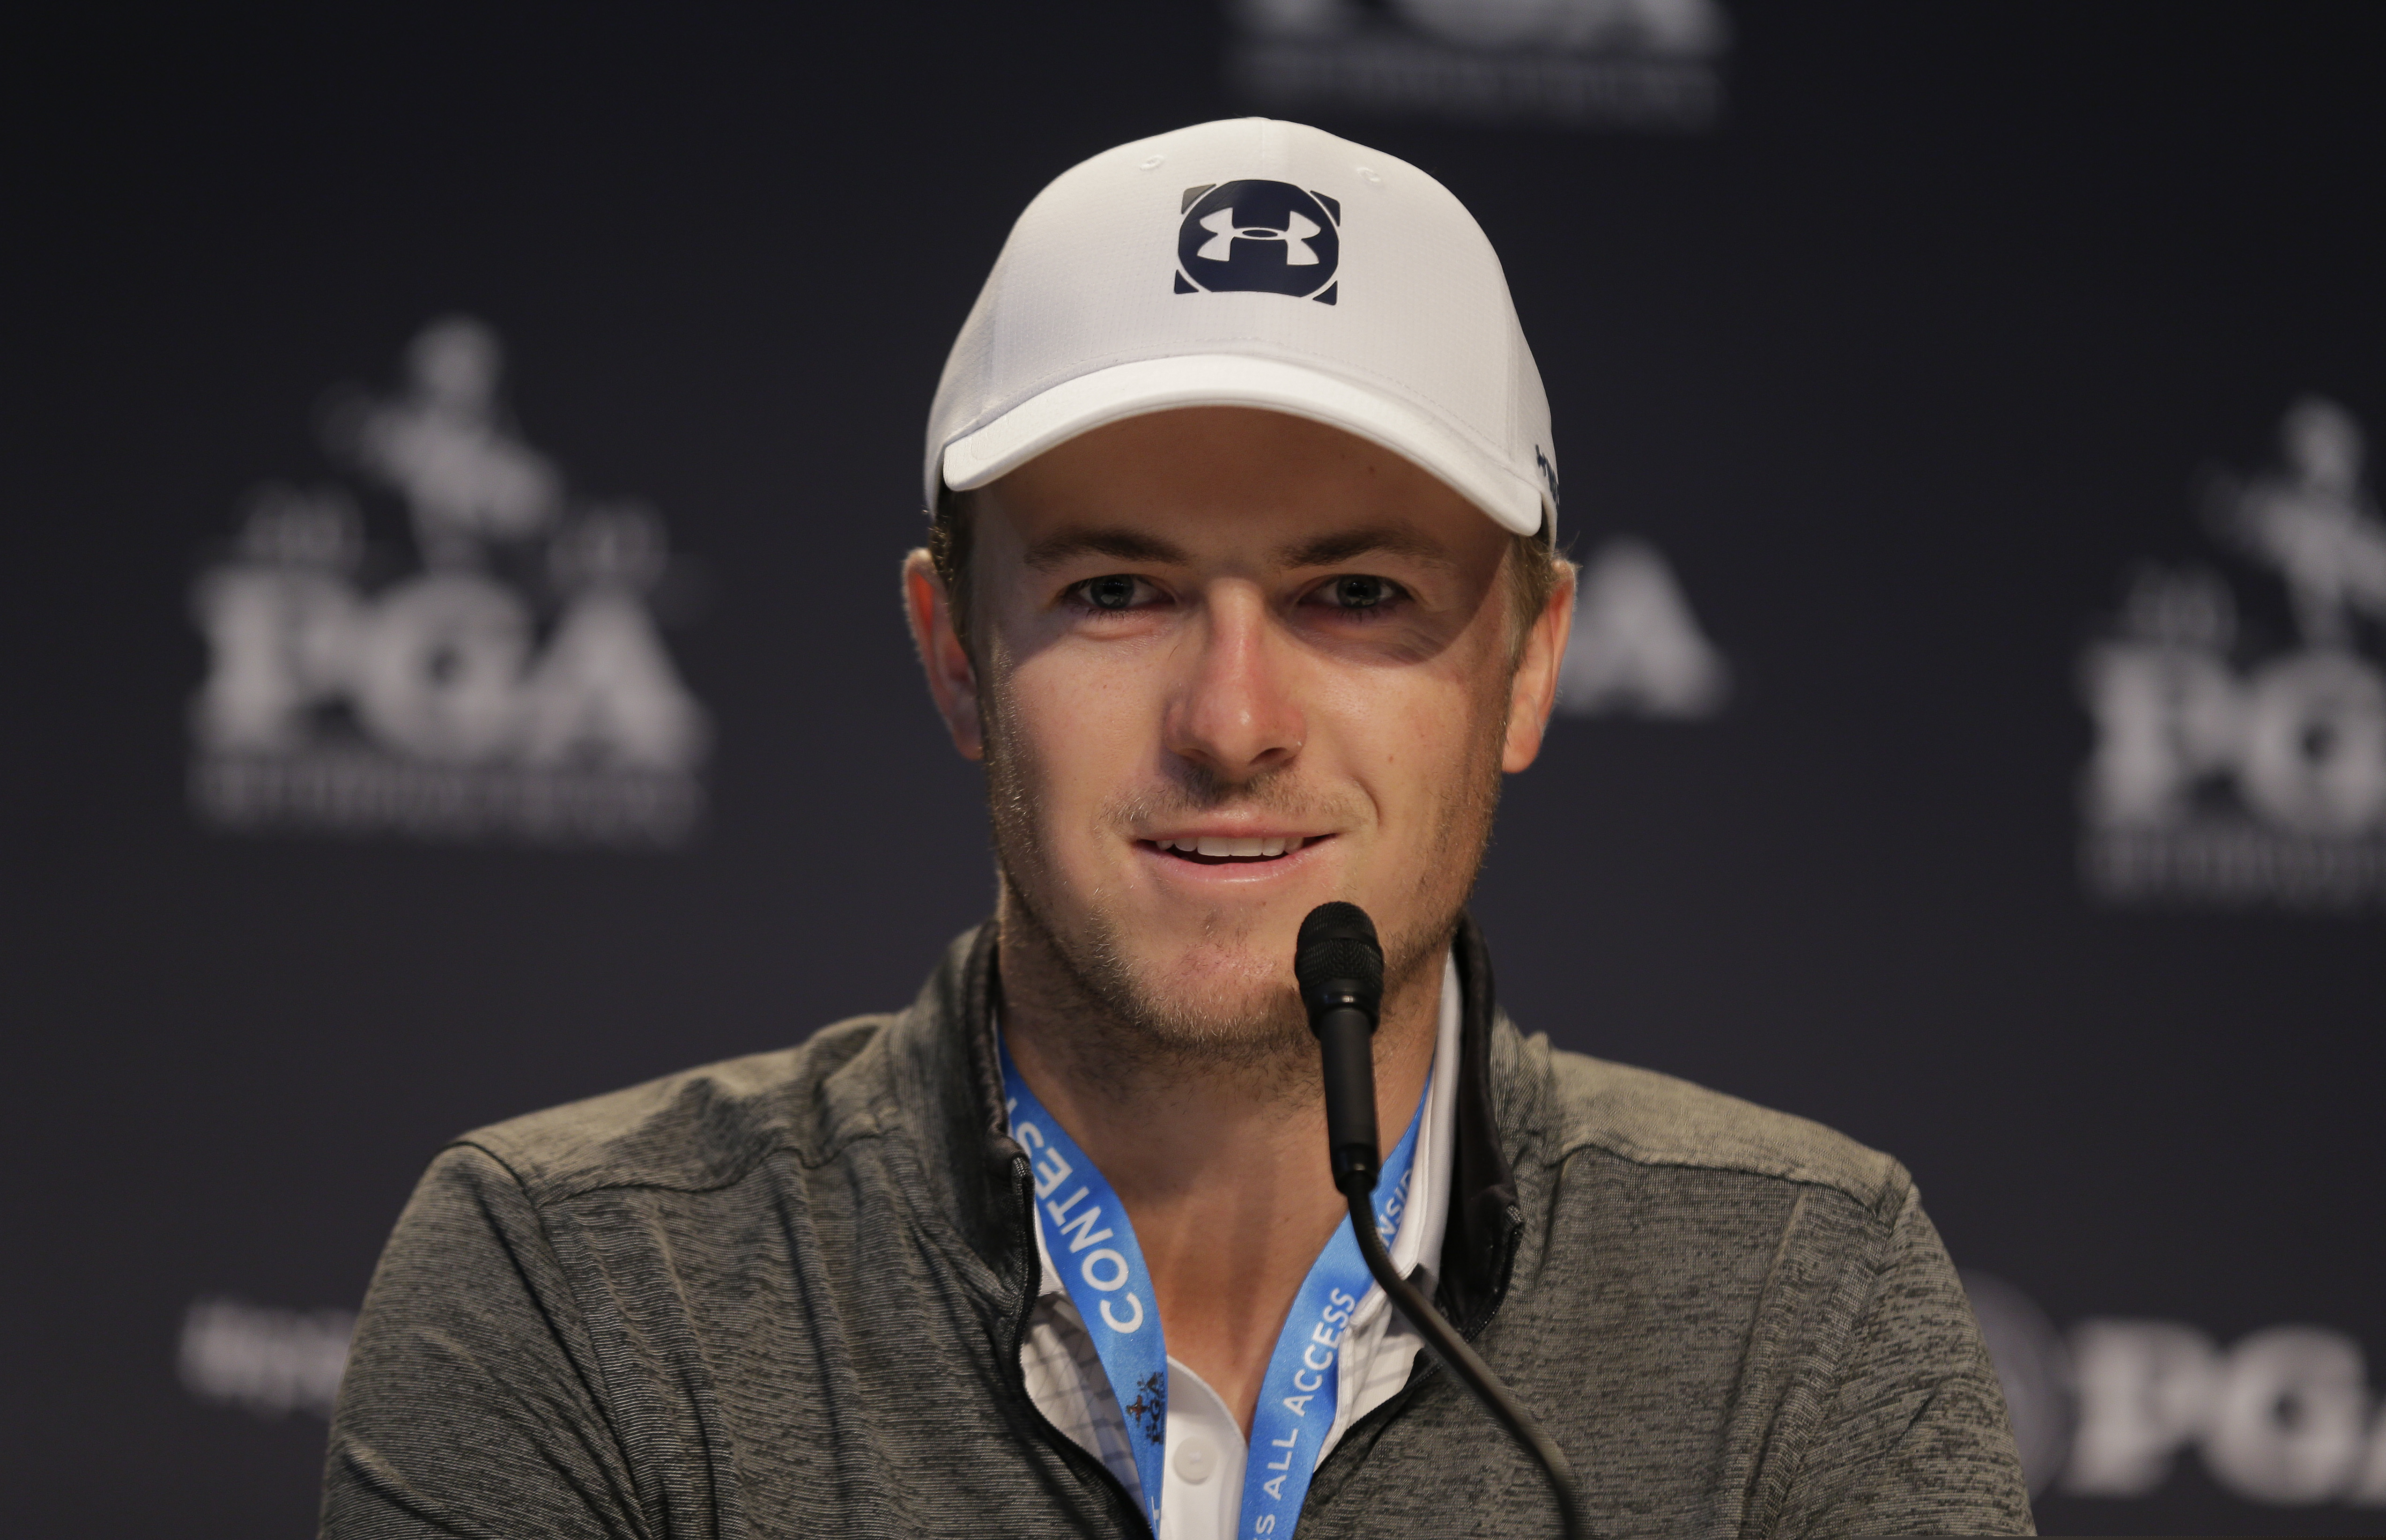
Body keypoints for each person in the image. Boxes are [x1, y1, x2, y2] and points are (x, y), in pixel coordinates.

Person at [323, 118, 2032, 1539]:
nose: (1231, 723)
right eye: (1118, 590)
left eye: (1354, 593)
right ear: (954, 658)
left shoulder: (1797, 1303)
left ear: (1527, 669)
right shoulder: (582, 1287)